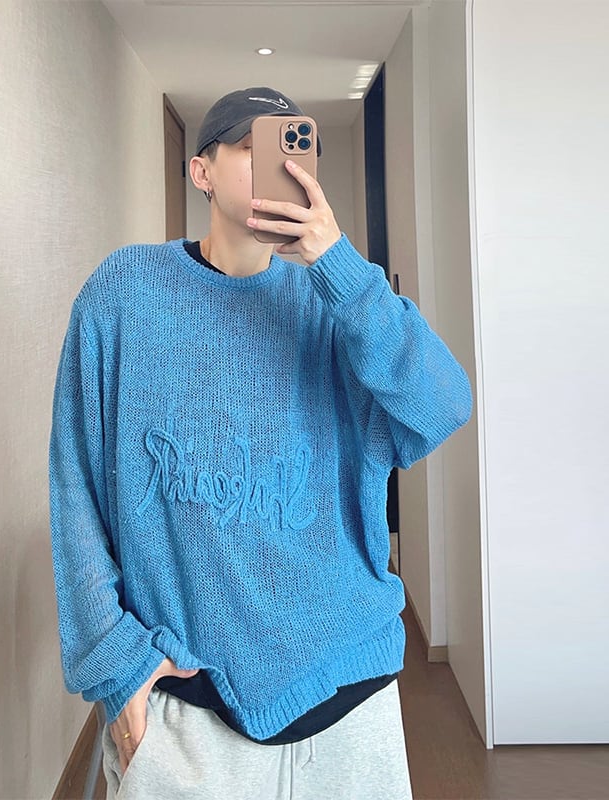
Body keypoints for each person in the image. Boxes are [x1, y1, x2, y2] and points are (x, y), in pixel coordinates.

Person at [48, 87, 473, 800]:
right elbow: (75, 487)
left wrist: (341, 268)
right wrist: (116, 668)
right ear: (201, 171)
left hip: (349, 693)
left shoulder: (337, 306)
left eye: (296, 149)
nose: (279, 165)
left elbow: (443, 405)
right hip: (188, 707)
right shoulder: (123, 294)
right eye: (251, 148)